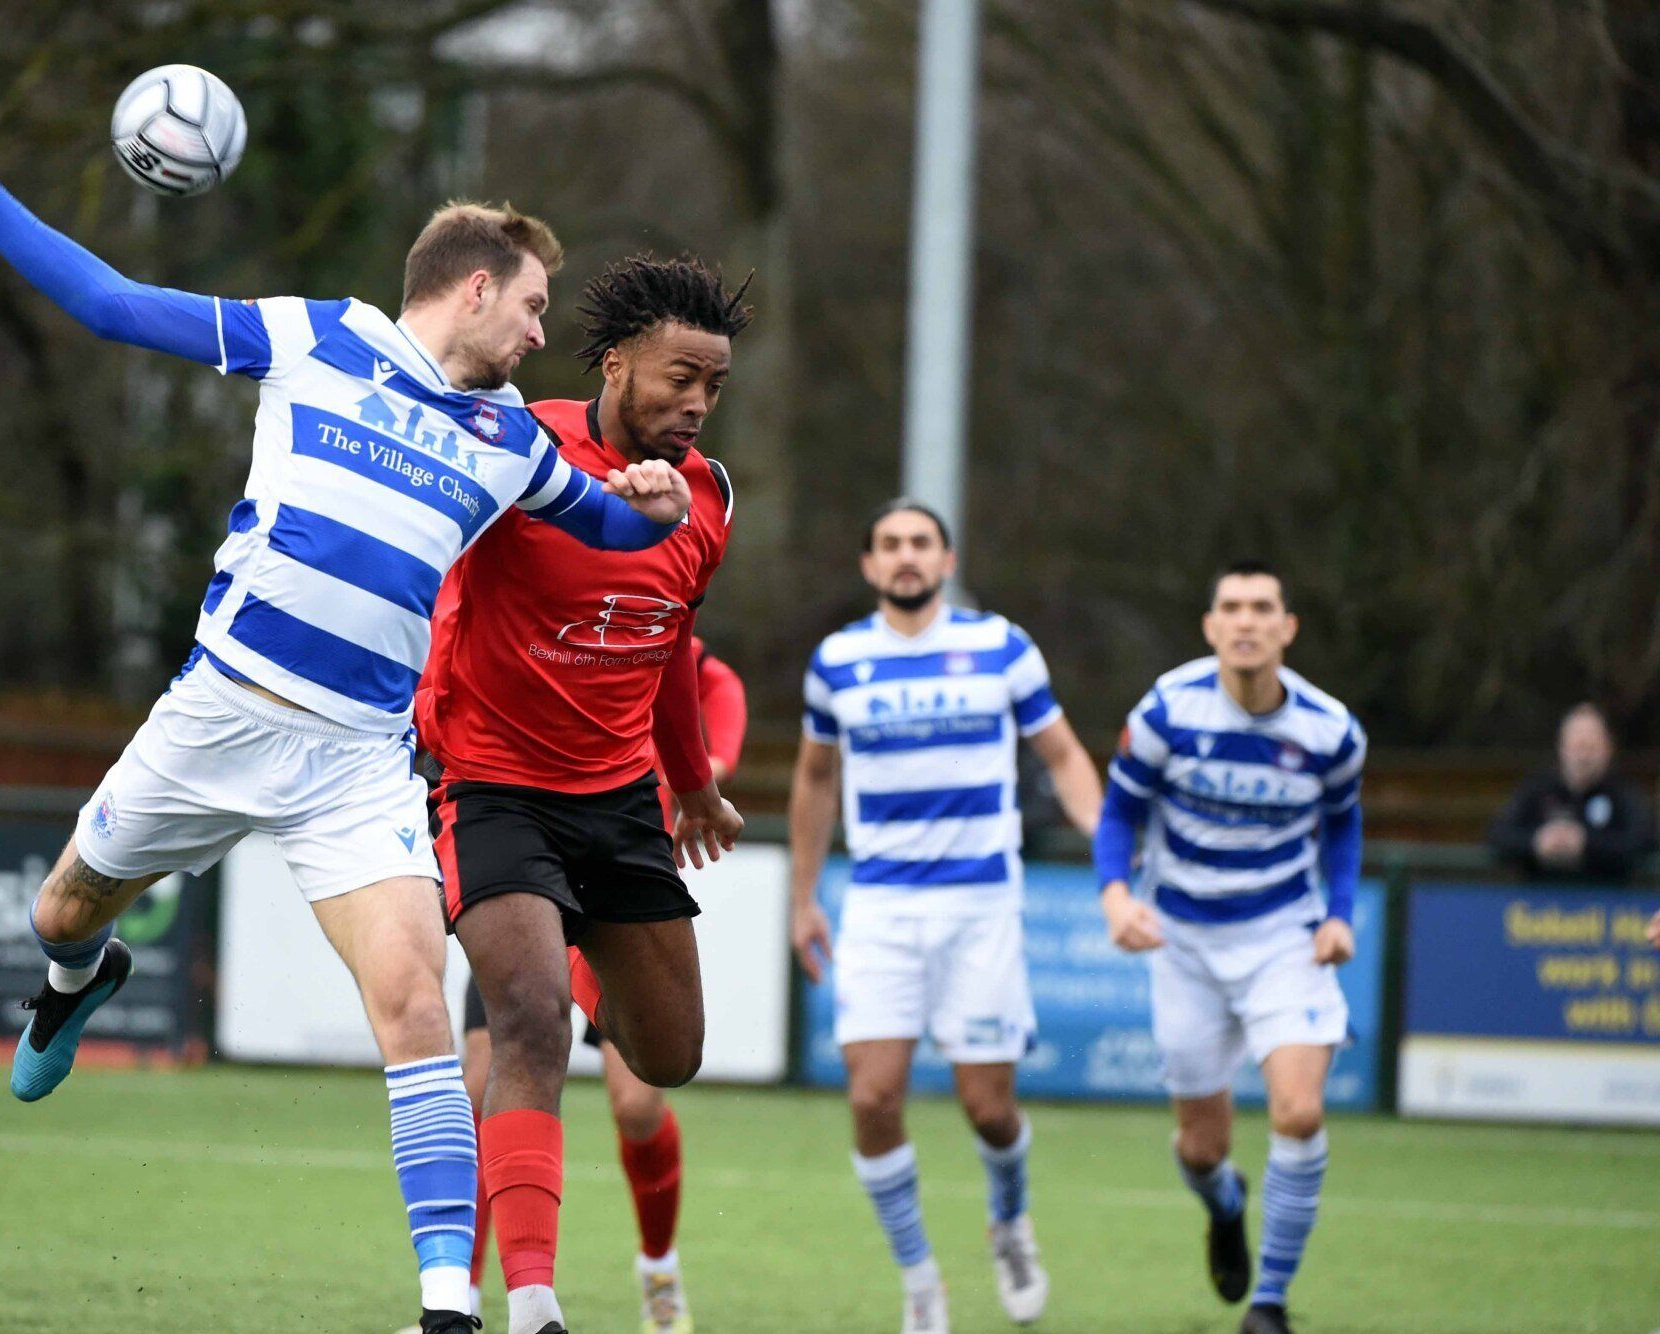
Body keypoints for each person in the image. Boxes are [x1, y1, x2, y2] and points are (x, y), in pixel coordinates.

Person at [0, 91, 692, 1334]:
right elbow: (112, 304)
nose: (543, 331)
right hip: (218, 715)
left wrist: (652, 504)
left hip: (356, 764)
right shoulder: (315, 337)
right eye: (536, 304)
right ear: (476, 287)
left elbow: (605, 523)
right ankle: (72, 979)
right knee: (59, 910)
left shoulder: (506, 440)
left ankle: (445, 1306)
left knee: (417, 1007)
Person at [414, 256, 750, 1334]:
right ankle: (531, 1304)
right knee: (527, 1024)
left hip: (618, 805)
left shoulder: (711, 497)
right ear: (614, 365)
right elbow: (422, 574)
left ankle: (582, 951)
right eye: (679, 378)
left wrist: (692, 786)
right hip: (492, 788)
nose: (697, 403)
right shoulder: (518, 446)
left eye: (713, 385)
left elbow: (671, 644)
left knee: (671, 1057)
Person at [787, 500, 1103, 1334]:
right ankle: (921, 1280)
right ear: (869, 565)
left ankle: (1010, 1222)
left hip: (980, 905)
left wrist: (1111, 857)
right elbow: (815, 779)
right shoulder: (838, 661)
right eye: (890, 544)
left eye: (921, 543)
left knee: (988, 1109)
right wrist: (803, 898)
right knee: (871, 1098)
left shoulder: (1002, 647)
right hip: (881, 904)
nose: (906, 556)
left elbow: (1063, 755)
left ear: (947, 558)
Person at [1094, 561, 1366, 1334]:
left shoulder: (1330, 731)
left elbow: (1343, 825)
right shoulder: (1166, 712)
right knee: (1200, 1149)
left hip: (1284, 939)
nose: (1247, 621)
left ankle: (1268, 1304)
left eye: (1262, 608)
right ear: (1211, 626)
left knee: (1300, 1113)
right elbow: (1118, 816)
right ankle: (1224, 1204)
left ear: (1288, 628)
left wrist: (1339, 914)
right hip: (1183, 944)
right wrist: (1116, 896)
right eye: (1233, 608)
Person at [446, 637, 746, 1334]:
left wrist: (702, 774)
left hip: (614, 878)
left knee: (638, 1104)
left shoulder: (657, 641)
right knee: (481, 1080)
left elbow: (712, 711)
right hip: (525, 867)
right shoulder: (521, 625)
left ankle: (658, 1268)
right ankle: (463, 1295)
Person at [1488, 704, 1656, 882]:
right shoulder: (1538, 790)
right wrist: (1537, 841)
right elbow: (1499, 834)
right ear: (1561, 748)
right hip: (1541, 896)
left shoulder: (1623, 794)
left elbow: (1643, 841)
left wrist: (1586, 843)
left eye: (1591, 747)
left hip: (1607, 896)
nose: (1584, 756)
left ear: (1608, 748)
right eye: (1577, 746)